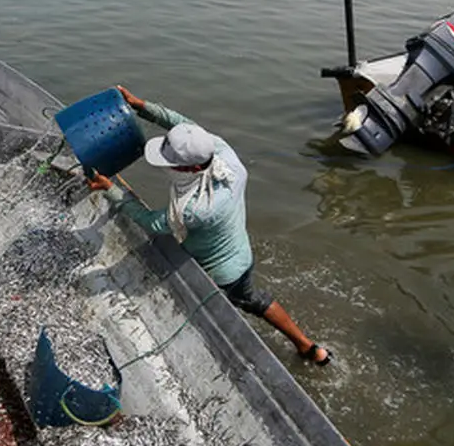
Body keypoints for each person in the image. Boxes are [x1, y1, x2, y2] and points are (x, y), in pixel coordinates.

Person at [85, 85, 332, 366]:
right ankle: (309, 348)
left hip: (218, 273)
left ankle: (233, 360)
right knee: (256, 301)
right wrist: (141, 105)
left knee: (212, 314)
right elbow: (182, 123)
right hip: (240, 251)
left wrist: (111, 189)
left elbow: (150, 222)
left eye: (170, 163)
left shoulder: (195, 209)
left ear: (191, 169)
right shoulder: (222, 154)